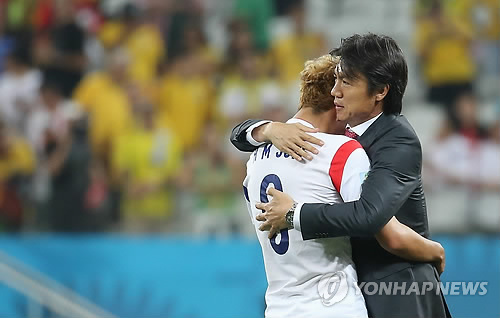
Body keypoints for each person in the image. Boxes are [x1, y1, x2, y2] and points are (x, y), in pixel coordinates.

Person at [231, 34, 451, 318]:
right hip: (347, 292)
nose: (336, 91)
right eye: (335, 81)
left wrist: (294, 214)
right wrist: (267, 129)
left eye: (346, 82)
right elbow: (239, 135)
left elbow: (370, 216)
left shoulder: (396, 139)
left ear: (380, 91)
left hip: (399, 288)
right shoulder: (336, 141)